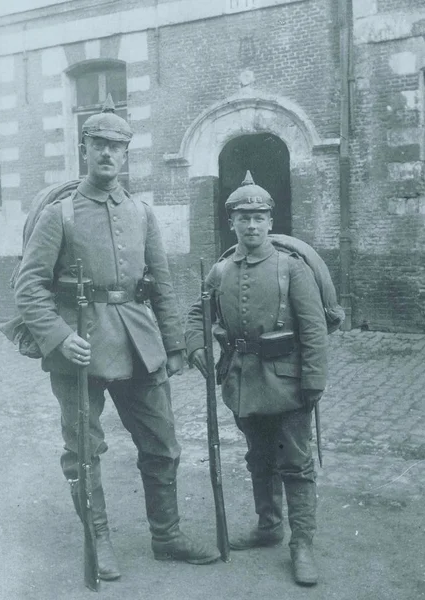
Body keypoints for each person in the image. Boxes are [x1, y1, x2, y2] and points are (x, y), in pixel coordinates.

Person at [14, 95, 219, 581]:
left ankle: (167, 536)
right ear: (84, 149)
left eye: (117, 147)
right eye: (99, 145)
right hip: (79, 345)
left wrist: (172, 347)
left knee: (163, 442)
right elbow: (28, 286)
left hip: (138, 340)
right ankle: (98, 539)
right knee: (84, 450)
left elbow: (163, 283)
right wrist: (60, 338)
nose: (108, 154)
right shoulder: (59, 215)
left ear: (126, 154)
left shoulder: (142, 213)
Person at [185, 172, 328, 586]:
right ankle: (268, 527)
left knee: (296, 464)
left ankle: (302, 544)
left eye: (259, 216)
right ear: (232, 222)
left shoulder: (291, 268)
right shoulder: (221, 269)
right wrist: (197, 346)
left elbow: (314, 329)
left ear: (270, 221)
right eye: (243, 217)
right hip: (243, 381)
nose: (251, 225)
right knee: (258, 458)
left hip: (288, 382)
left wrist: (313, 381)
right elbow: (198, 312)